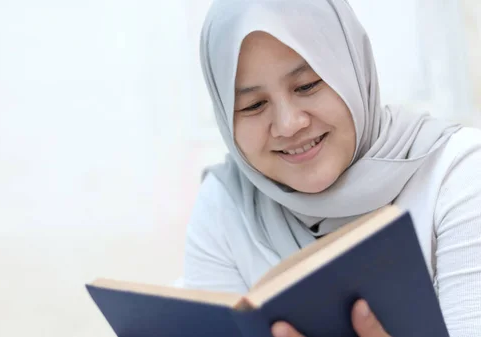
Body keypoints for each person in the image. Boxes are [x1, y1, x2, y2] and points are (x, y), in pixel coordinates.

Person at [181, 0, 481, 336]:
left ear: (352, 68)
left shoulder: (459, 174)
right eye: (253, 105)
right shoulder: (225, 205)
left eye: (307, 85)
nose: (288, 124)